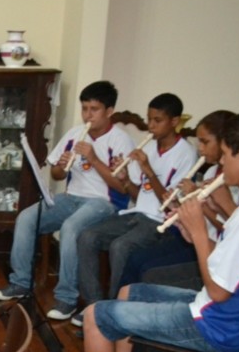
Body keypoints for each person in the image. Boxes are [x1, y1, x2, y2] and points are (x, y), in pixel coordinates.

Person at [75, 106, 239, 352]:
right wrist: (192, 232)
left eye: (226, 153)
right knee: (128, 292)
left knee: (95, 316)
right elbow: (232, 262)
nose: (222, 161)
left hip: (216, 326)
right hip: (229, 315)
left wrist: (199, 233)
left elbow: (218, 291)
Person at [0, 81, 134, 320]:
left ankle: (67, 299)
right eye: (84, 108)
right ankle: (21, 282)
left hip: (104, 203)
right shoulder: (75, 134)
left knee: (70, 228)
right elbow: (56, 174)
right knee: (27, 218)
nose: (88, 115)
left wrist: (94, 159)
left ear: (109, 111)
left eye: (94, 109)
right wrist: (63, 165)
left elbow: (123, 188)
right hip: (71, 197)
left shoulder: (120, 140)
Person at [73, 93, 198, 326]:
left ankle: (113, 312)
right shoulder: (149, 146)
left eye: (157, 120)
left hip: (161, 221)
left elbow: (170, 203)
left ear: (174, 121)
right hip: (137, 213)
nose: (151, 126)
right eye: (149, 119)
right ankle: (93, 304)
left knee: (121, 246)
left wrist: (148, 170)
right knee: (87, 236)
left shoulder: (186, 154)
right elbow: (138, 195)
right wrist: (125, 179)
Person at [118, 110, 238, 292]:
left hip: (212, 247)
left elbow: (229, 229)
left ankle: (132, 303)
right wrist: (176, 205)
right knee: (135, 259)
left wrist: (202, 203)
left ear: (224, 142)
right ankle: (117, 303)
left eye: (205, 142)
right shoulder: (211, 172)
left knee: (147, 270)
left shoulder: (233, 182)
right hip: (194, 237)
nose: (200, 148)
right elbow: (197, 213)